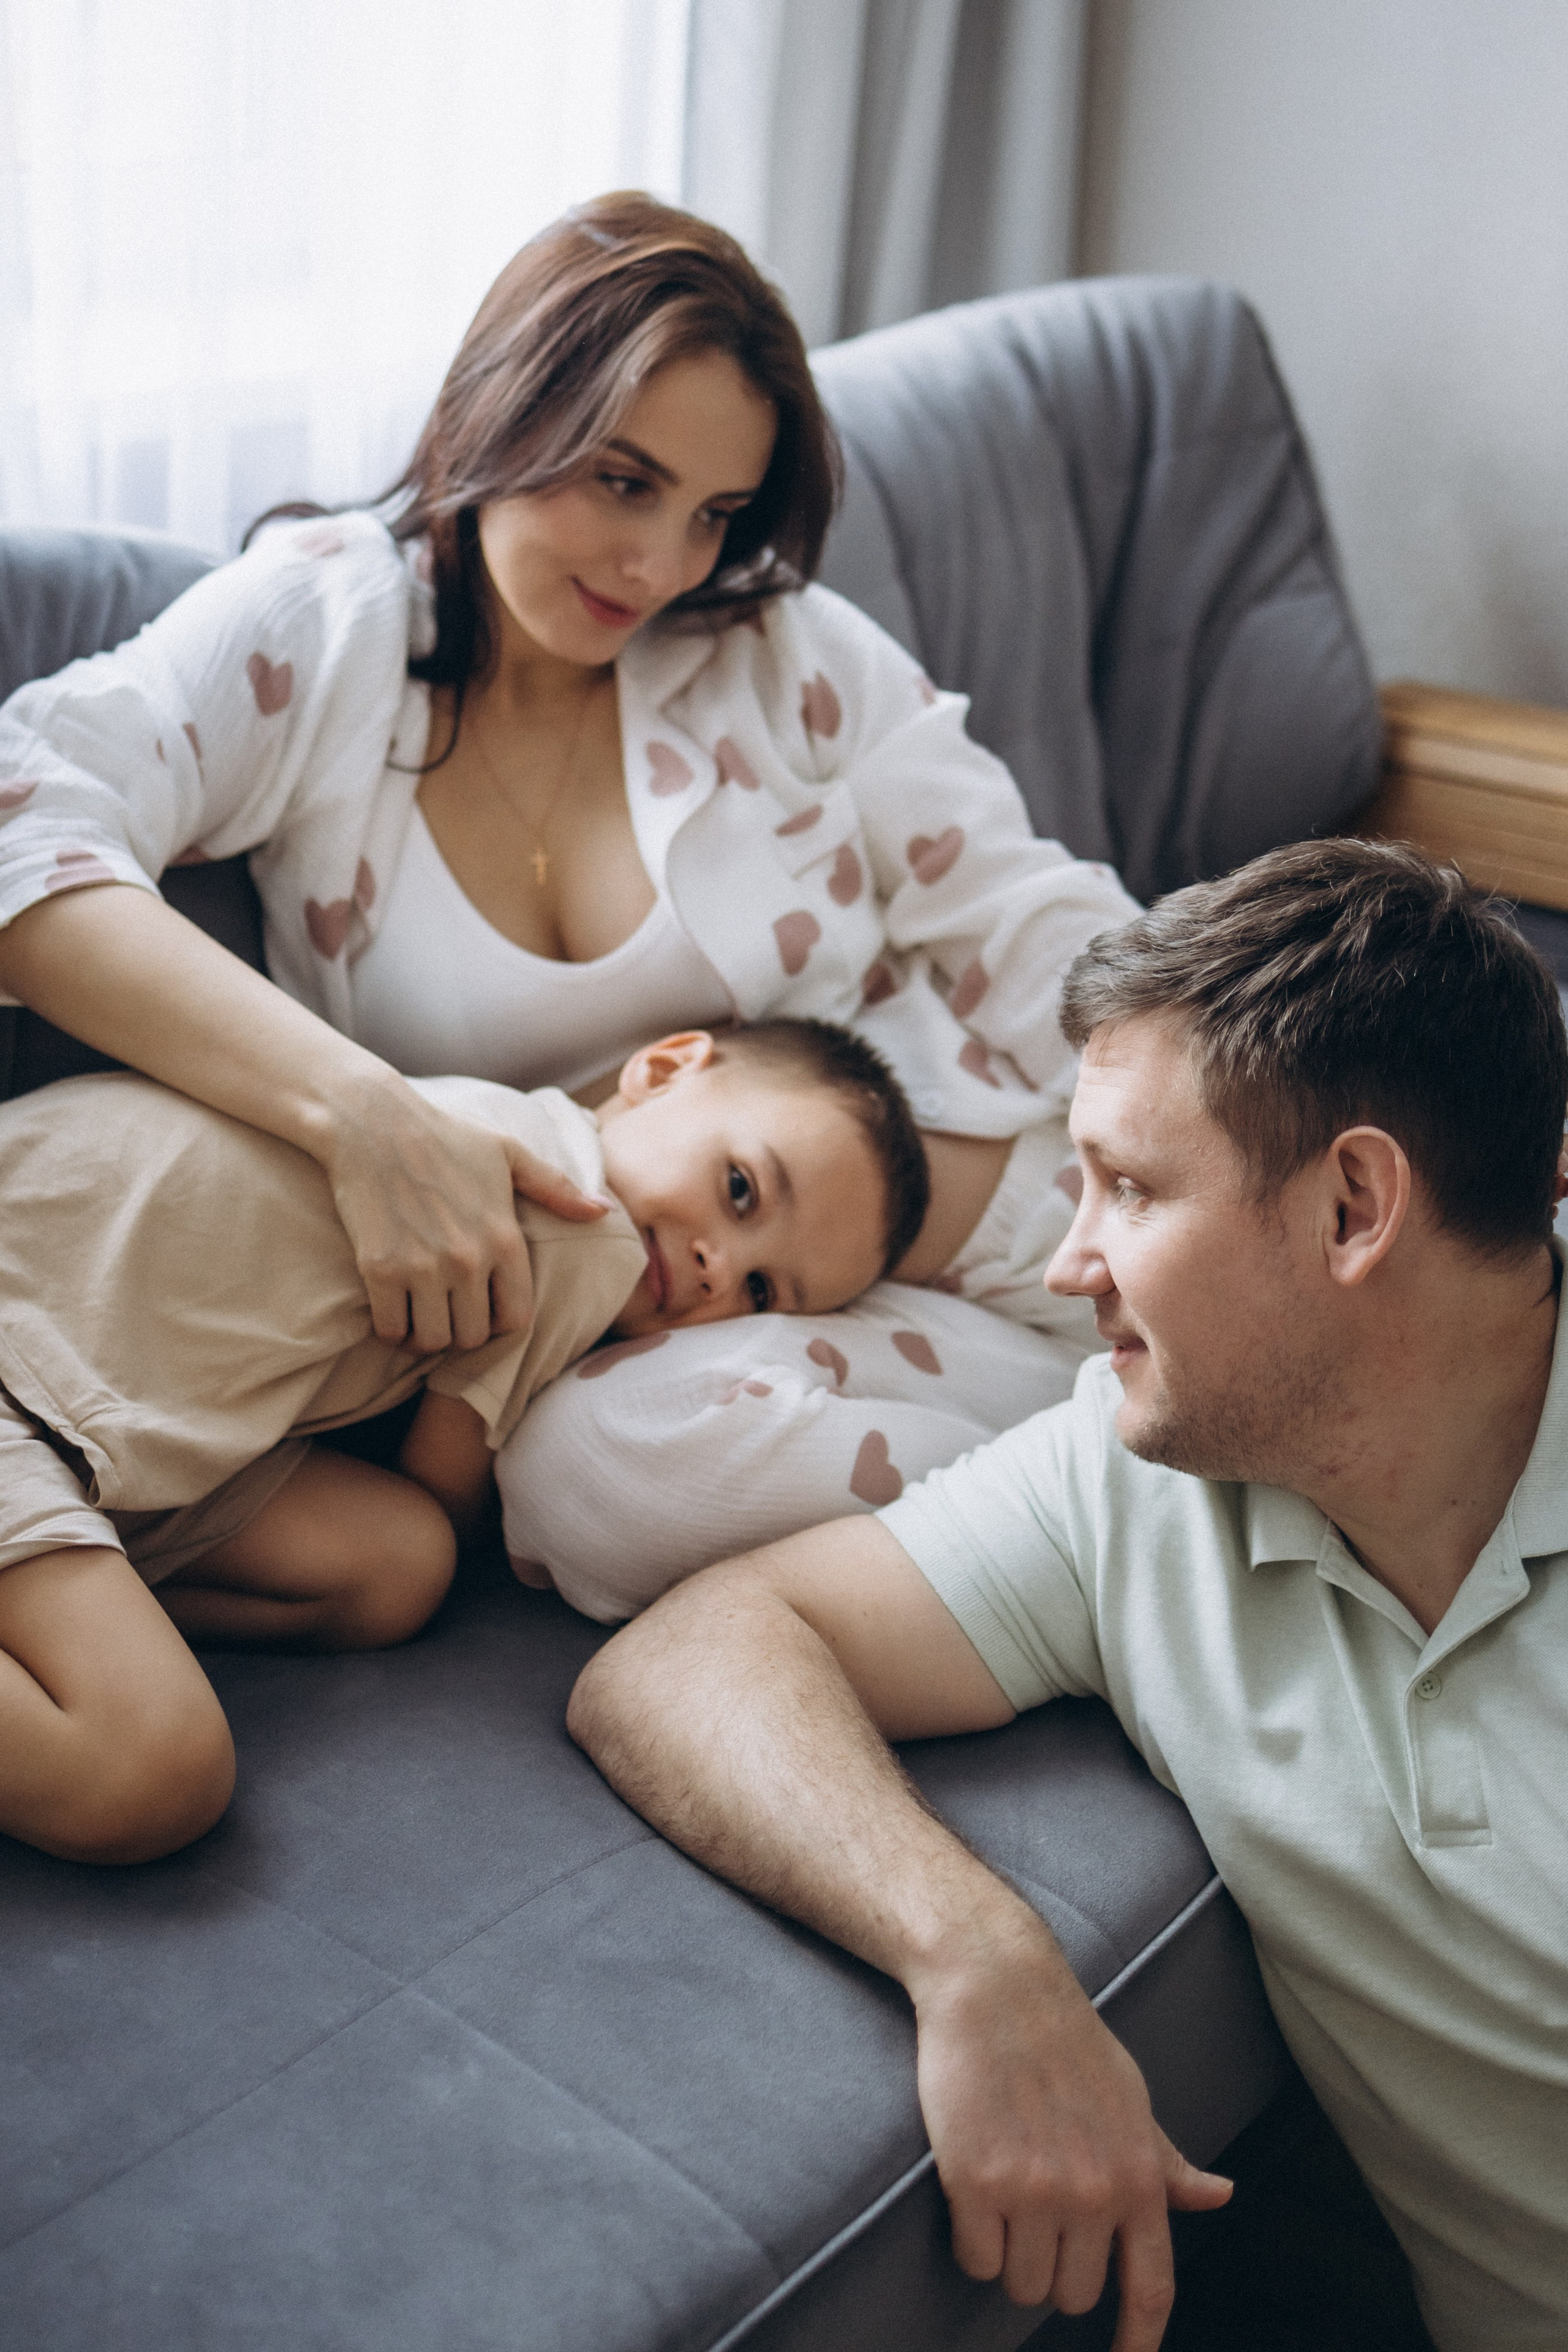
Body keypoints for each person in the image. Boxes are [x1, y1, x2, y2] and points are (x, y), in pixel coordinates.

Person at [0, 192, 1134, 1609]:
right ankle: (1141, 1480)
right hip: (776, 1329)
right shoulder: (335, 626)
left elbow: (1041, 927)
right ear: (502, 411)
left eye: (713, 514)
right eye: (620, 480)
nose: (660, 568)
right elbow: (25, 818)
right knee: (599, 1466)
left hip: (1063, 1177)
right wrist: (356, 1110)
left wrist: (1209, 1154)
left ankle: (1162, 1447)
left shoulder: (777, 651)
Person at [567, 840, 1568, 2352]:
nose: (1067, 1260)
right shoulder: (1137, 1481)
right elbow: (690, 1656)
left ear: (1352, 1207)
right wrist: (975, 1958)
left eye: (1126, 1189)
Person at [0, 1016, 924, 1867]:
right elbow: (445, 1489)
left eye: (762, 1293)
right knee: (154, 1767)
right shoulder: (579, 1234)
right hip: (29, 1360)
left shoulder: (475, 1121)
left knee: (395, 1565)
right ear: (664, 1068)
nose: (720, 1268)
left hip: (75, 1355)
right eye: (739, 1188)